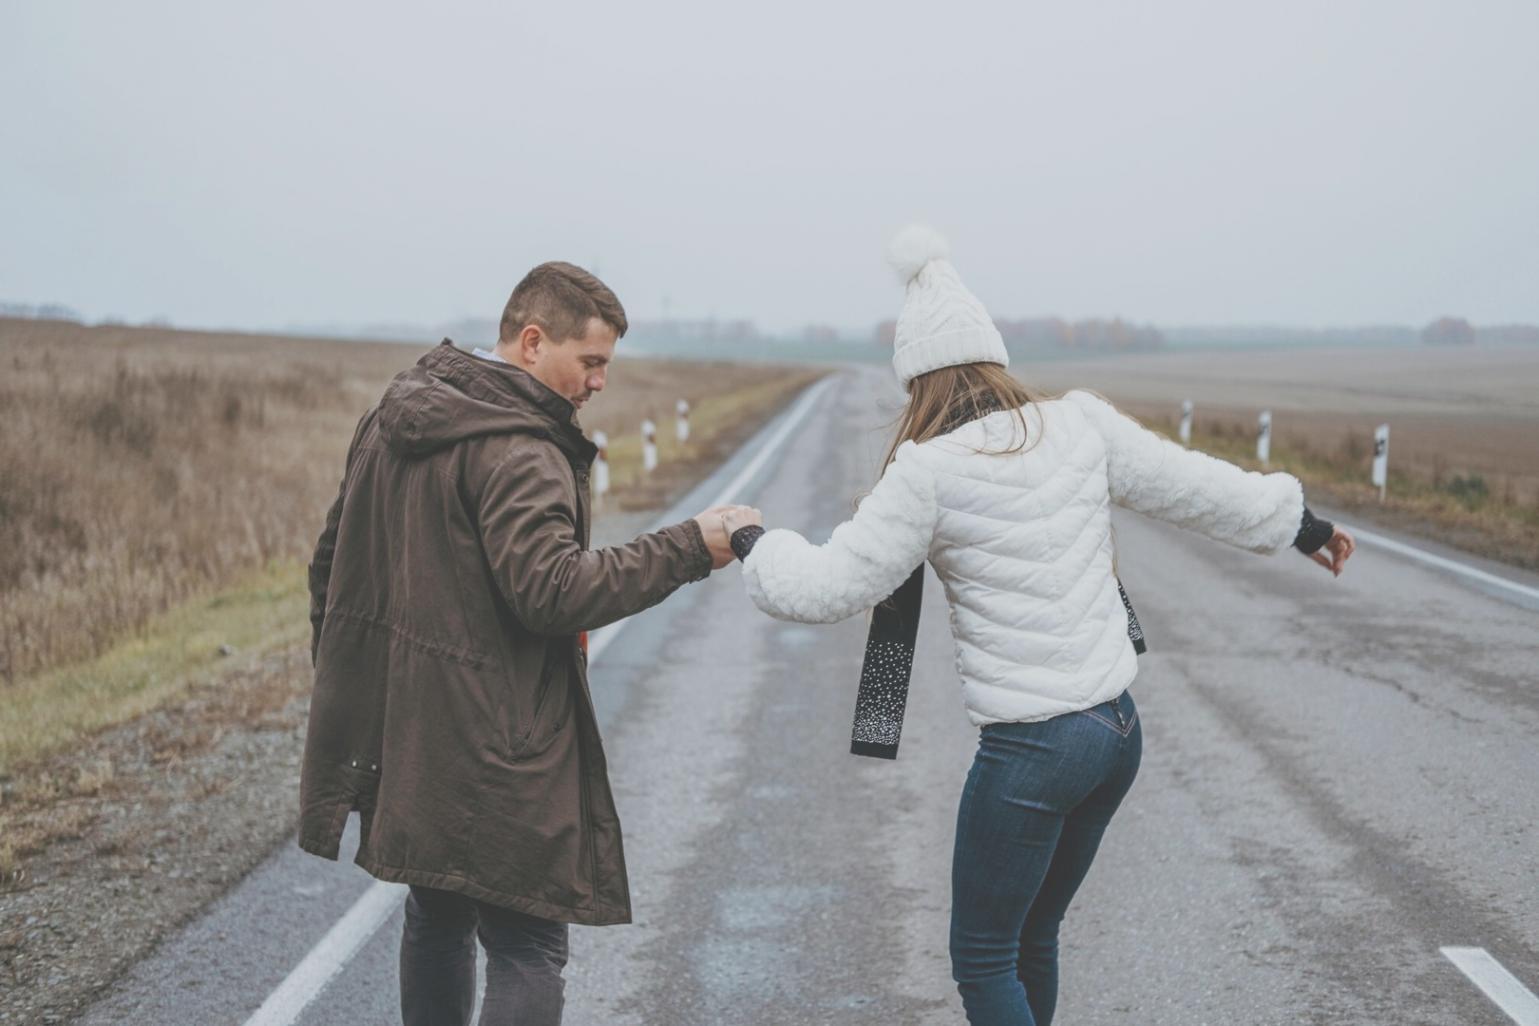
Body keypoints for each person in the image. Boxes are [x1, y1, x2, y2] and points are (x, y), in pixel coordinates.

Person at [721, 227, 1355, 1026]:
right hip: (1116, 731)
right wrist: (1303, 524)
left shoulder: (926, 471)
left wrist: (749, 540)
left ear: (914, 381)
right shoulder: (1078, 423)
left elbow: (819, 588)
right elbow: (1199, 489)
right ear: (993, 357)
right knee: (1029, 938)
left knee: (982, 959)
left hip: (1033, 749)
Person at [299, 261, 750, 1026]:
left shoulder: (393, 415)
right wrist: (686, 548)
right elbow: (554, 591)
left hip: (415, 730)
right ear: (533, 342)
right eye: (592, 362)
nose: (599, 382)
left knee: (436, 916)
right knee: (528, 944)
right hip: (502, 740)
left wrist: (377, 692)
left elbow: (329, 570)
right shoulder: (520, 446)